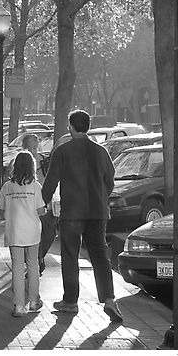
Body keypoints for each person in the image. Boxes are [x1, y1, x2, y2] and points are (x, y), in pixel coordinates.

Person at [41, 109, 123, 322]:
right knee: (99, 255)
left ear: (70, 126)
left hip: (72, 211)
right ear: (88, 126)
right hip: (98, 212)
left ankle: (70, 301)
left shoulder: (62, 151)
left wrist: (41, 204)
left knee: (70, 255)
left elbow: (51, 181)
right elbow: (110, 180)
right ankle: (109, 299)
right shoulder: (101, 151)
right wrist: (102, 198)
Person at [0, 151, 46, 317]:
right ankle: (34, 300)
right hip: (32, 230)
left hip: (14, 230)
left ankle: (18, 305)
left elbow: (0, 211)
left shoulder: (7, 186)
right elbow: (41, 210)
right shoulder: (36, 187)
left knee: (16, 266)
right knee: (32, 264)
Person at [6, 133, 58, 275]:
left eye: (36, 147)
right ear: (24, 148)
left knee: (49, 233)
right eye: (30, 148)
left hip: (44, 203)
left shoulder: (44, 161)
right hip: (25, 206)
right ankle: (35, 261)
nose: (34, 151)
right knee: (32, 237)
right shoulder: (17, 163)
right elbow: (10, 184)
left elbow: (53, 180)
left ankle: (38, 258)